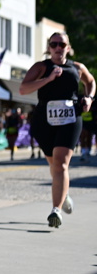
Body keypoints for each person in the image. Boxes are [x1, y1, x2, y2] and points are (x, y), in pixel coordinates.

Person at [19, 32, 95, 228]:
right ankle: (64, 193)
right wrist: (48, 78)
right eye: (54, 44)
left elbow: (90, 82)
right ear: (49, 48)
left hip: (71, 119)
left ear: (68, 47)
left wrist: (89, 98)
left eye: (62, 44)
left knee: (61, 165)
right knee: (55, 167)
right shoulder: (41, 67)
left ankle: (56, 211)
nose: (58, 48)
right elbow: (23, 89)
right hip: (44, 121)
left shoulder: (77, 67)